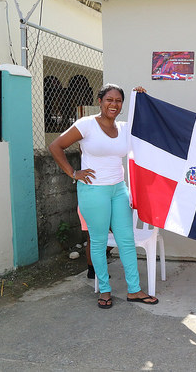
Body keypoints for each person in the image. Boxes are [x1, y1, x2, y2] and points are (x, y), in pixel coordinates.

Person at [49, 84, 158, 309]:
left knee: (126, 241)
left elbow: (150, 126)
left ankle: (134, 290)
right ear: (100, 101)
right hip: (93, 190)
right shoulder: (86, 124)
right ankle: (105, 290)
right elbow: (55, 146)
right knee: (98, 241)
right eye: (109, 99)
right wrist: (73, 173)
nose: (114, 104)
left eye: (118, 101)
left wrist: (143, 100)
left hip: (118, 189)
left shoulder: (124, 128)